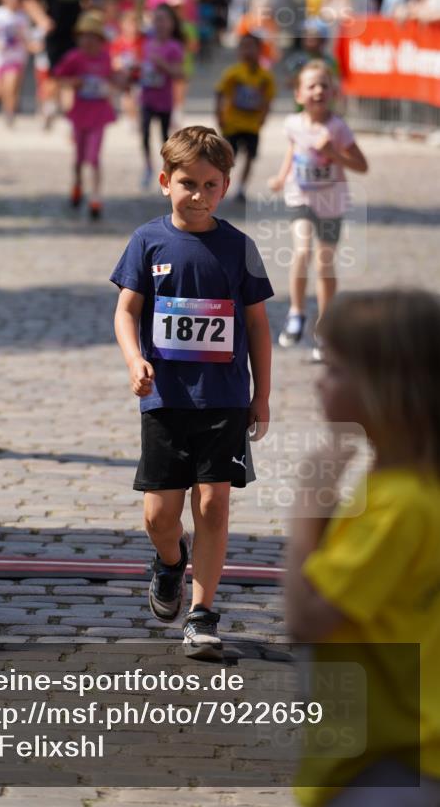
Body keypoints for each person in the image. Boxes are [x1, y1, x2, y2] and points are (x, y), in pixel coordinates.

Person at [111, 125, 273, 658]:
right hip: (165, 399)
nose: (199, 195)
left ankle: (202, 614)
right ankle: (170, 561)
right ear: (165, 182)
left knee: (214, 503)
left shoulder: (240, 248)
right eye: (187, 184)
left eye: (210, 185)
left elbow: (257, 326)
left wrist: (261, 395)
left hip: (224, 398)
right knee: (159, 516)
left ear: (225, 186)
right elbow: (126, 311)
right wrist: (134, 360)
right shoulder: (147, 241)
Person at [286, 288, 440, 807]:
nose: (319, 381)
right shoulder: (401, 486)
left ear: (384, 389)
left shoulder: (397, 505)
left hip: (391, 760)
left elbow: (306, 618)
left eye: (333, 369)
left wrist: (309, 502)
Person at [268, 60, 368, 362]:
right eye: (311, 85)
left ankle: (324, 329)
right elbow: (293, 150)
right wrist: (281, 177)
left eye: (324, 85)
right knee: (302, 250)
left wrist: (333, 153)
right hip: (300, 197)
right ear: (299, 94)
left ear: (333, 93)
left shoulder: (338, 128)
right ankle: (296, 312)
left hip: (331, 203)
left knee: (325, 264)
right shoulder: (293, 124)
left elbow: (361, 166)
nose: (318, 90)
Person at [52, 10, 118, 221]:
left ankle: (96, 197)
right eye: (83, 36)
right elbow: (58, 78)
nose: (88, 41)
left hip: (99, 113)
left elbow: (113, 77)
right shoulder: (74, 58)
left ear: (100, 40)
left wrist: (120, 80)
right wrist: (74, 82)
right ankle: (77, 185)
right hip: (79, 113)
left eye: (92, 37)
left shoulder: (106, 58)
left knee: (94, 157)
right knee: (79, 158)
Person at [28, 0, 99, 128]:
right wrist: (42, 19)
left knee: (74, 74)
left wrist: (91, 10)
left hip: (76, 35)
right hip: (54, 35)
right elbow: (30, 1)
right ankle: (49, 106)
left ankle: (70, 114)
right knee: (54, 73)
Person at [215, 33, 275, 203]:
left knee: (250, 155)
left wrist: (264, 116)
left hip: (252, 125)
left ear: (260, 50)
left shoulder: (265, 76)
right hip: (232, 124)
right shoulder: (233, 73)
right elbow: (220, 93)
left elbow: (268, 98)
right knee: (227, 157)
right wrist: (219, 114)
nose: (247, 51)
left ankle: (241, 187)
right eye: (244, 47)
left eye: (251, 47)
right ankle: (220, 184)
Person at [139, 4, 185, 189]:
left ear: (172, 24)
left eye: (163, 20)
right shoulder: (147, 44)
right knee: (144, 134)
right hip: (146, 97)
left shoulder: (174, 46)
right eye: (156, 19)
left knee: (164, 138)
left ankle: (166, 170)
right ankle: (148, 167)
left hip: (164, 100)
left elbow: (179, 74)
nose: (159, 24)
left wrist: (162, 64)